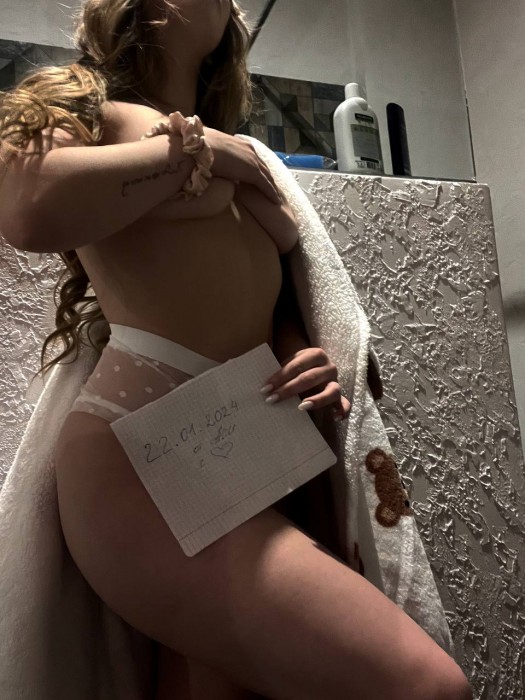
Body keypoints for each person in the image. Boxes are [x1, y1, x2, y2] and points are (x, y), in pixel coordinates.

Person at [0, 1, 473, 699]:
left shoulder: (245, 151)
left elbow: (262, 292)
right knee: (427, 686)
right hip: (143, 450)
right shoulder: (83, 101)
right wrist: (199, 151)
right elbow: (28, 208)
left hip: (253, 445)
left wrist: (301, 350)